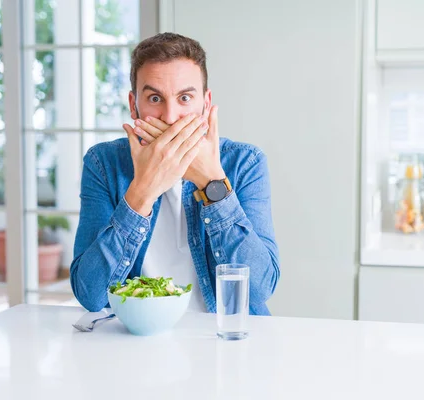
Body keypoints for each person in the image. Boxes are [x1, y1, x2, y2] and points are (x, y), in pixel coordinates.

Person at [70, 33, 280, 315]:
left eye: (185, 98)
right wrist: (141, 191)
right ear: (134, 105)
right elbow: (91, 296)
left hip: (223, 340)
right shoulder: (103, 163)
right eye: (155, 98)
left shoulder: (246, 162)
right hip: (137, 341)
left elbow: (259, 289)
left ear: (205, 103)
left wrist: (212, 183)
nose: (170, 117)